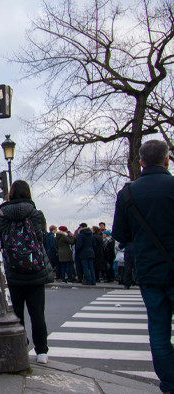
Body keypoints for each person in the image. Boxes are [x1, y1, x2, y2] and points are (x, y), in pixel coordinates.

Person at [112, 139, 174, 393]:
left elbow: (121, 235)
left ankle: (170, 383)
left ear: (141, 162)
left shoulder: (127, 193)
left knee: (158, 333)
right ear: (167, 159)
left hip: (149, 271)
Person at [0, 180, 51, 364]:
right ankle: (42, 351)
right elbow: (41, 239)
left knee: (17, 313)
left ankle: (21, 344)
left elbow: (1, 243)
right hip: (35, 270)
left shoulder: (2, 215)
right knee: (38, 313)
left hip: (13, 271)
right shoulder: (36, 214)